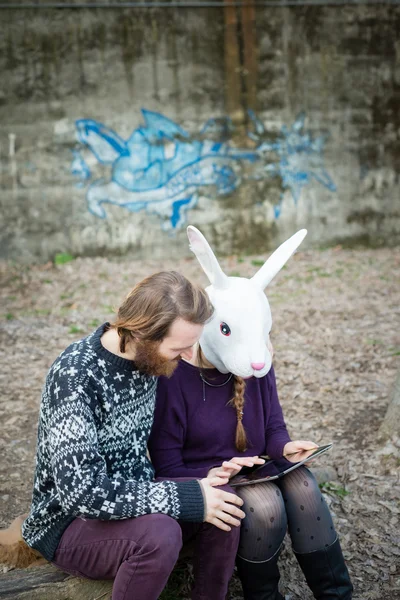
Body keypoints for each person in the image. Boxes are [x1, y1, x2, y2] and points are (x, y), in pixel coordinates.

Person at [148, 226, 353, 600]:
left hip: (256, 465)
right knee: (265, 505)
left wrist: (286, 447)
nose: (257, 358)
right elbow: (165, 467)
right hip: (208, 480)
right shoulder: (174, 374)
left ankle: (337, 594)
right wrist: (211, 475)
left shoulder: (256, 362)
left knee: (304, 484)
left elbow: (272, 425)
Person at [21, 270, 247, 600]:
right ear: (142, 335)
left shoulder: (150, 359)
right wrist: (182, 498)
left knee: (223, 503)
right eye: (180, 348)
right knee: (161, 533)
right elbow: (79, 493)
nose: (188, 356)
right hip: (70, 522)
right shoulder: (75, 377)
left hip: (137, 498)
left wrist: (204, 480)